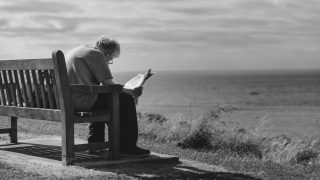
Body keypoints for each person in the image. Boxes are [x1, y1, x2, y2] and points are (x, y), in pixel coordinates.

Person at [65, 35, 150, 157]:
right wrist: (132, 92)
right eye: (111, 59)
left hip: (68, 100)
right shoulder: (96, 54)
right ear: (106, 53)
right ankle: (127, 147)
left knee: (102, 98)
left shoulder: (76, 50)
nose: (109, 63)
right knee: (125, 100)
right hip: (82, 100)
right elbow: (109, 85)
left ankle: (96, 143)